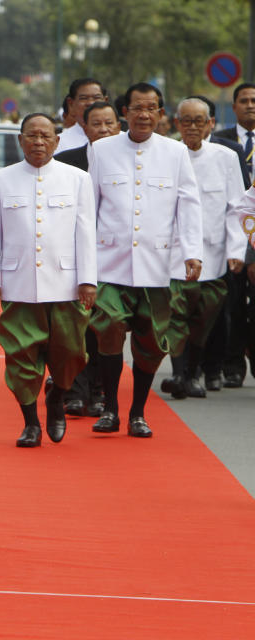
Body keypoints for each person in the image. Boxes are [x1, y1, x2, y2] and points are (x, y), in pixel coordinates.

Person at [88, 82, 203, 438]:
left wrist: (192, 252)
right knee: (106, 327)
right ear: (125, 112)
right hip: (110, 261)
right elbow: (89, 205)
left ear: (160, 114)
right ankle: (110, 408)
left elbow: (188, 204)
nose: (144, 114)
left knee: (152, 342)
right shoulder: (102, 149)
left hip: (158, 264)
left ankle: (137, 411)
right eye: (137, 107)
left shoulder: (175, 152)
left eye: (151, 108)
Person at [0, 113, 96, 447]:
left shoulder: (77, 178)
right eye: (31, 136)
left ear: (57, 141)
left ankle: (57, 398)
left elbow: (85, 232)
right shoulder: (0, 180)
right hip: (19, 282)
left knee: (72, 353)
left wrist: (88, 279)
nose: (38, 142)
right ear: (20, 140)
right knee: (21, 356)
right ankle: (30, 422)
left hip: (66, 282)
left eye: (46, 136)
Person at [158, 98, 246, 399]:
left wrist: (237, 249)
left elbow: (237, 207)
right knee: (175, 315)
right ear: (176, 123)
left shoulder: (225, 156)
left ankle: (193, 371)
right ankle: (181, 374)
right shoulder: (165, 154)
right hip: (173, 255)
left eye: (199, 121)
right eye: (186, 120)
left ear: (211, 123)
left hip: (214, 254)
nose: (192, 126)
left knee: (203, 319)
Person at [53, 100, 120, 417]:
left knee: (102, 326)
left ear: (118, 126)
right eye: (97, 124)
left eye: (110, 123)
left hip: (110, 259)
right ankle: (74, 391)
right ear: (85, 127)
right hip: (71, 254)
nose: (104, 129)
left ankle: (98, 391)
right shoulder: (67, 161)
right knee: (74, 327)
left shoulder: (126, 161)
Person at [211, 82, 255, 388]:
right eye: (245, 101)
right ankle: (232, 363)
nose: (251, 105)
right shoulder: (220, 142)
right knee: (233, 301)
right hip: (233, 228)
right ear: (234, 106)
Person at [56, 78, 108, 153]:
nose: (90, 103)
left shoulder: (121, 138)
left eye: (96, 97)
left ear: (106, 101)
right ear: (71, 104)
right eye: (84, 98)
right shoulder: (59, 143)